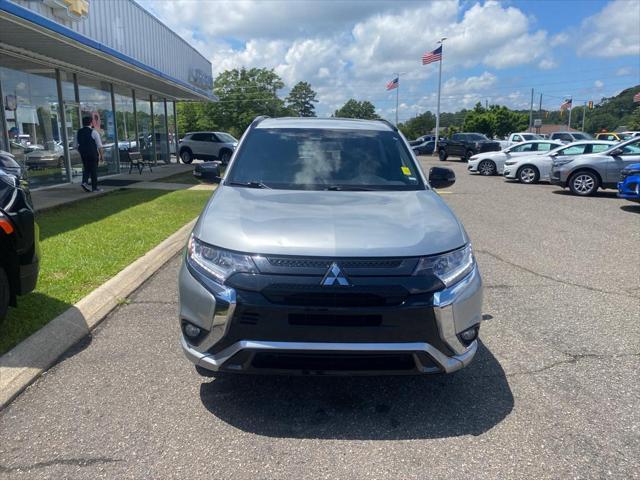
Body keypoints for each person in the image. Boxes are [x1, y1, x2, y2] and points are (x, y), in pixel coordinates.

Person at [76, 116, 103, 192]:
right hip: (92, 154)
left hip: (84, 154)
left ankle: (84, 182)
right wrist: (102, 156)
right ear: (91, 123)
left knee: (86, 168)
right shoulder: (94, 132)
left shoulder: (78, 132)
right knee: (93, 170)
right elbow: (99, 145)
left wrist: (81, 151)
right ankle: (94, 188)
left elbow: (75, 145)